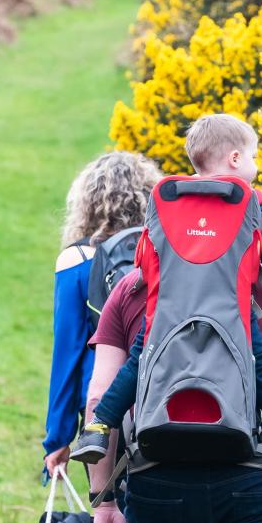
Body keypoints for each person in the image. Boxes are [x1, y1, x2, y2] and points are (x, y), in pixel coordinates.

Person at [70, 114, 262, 477]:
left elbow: (148, 252)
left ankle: (97, 430)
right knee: (260, 365)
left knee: (139, 360)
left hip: (168, 309)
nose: (255, 166)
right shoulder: (250, 201)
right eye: (253, 157)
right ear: (236, 159)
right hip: (232, 309)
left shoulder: (169, 202)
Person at [85, 265, 262, 523]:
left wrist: (104, 501)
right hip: (256, 479)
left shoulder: (133, 288)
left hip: (158, 478)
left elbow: (98, 398)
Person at [42, 151, 162, 476]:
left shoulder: (77, 259)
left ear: (87, 201)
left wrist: (58, 438)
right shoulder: (164, 253)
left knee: (109, 509)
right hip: (161, 393)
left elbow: (67, 354)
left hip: (101, 408)